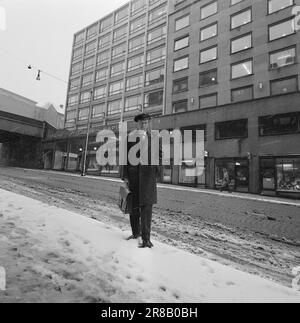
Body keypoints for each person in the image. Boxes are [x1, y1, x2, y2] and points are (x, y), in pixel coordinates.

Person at [121, 113, 161, 249]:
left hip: (148, 178)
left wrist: (156, 170)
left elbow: (159, 155)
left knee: (147, 208)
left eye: (146, 122)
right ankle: (135, 233)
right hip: (133, 177)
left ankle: (146, 239)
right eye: (142, 123)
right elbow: (124, 158)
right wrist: (125, 177)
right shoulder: (129, 138)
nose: (144, 125)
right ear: (137, 124)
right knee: (134, 207)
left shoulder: (154, 137)